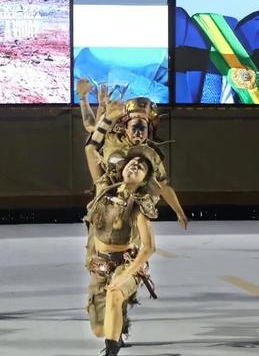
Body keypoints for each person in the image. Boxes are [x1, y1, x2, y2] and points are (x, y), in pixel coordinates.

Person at [83, 99, 159, 356]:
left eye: (141, 166)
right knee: (98, 329)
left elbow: (149, 248)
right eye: (132, 163)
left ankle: (111, 350)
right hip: (100, 261)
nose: (135, 165)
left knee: (116, 292)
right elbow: (91, 147)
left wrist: (126, 276)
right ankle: (118, 320)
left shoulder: (140, 204)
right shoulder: (103, 189)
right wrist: (107, 118)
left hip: (126, 262)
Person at [77, 78, 188, 229]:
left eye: (142, 128)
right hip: (107, 190)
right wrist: (84, 98)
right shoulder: (111, 137)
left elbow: (163, 186)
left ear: (149, 131)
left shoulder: (151, 154)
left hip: (135, 199)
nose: (138, 133)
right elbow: (91, 127)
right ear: (126, 128)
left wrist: (179, 211)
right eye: (134, 127)